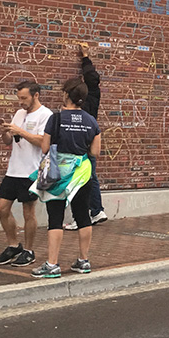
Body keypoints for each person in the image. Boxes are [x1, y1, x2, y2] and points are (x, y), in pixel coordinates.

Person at [31, 77, 100, 278]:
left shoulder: (56, 118)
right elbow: (95, 151)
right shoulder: (91, 121)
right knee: (83, 215)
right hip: (82, 173)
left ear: (66, 95)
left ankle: (52, 264)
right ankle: (83, 261)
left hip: (58, 173)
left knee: (55, 217)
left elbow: (44, 147)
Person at [0, 80, 52, 267]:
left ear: (36, 95)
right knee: (2, 208)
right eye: (19, 98)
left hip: (32, 171)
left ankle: (29, 250)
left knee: (28, 212)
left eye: (24, 98)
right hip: (14, 169)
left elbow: (42, 142)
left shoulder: (46, 115)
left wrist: (20, 130)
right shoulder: (19, 113)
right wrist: (5, 131)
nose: (21, 102)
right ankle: (13, 245)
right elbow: (8, 141)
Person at [65, 44, 107, 229]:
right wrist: (85, 58)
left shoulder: (82, 100)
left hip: (79, 142)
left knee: (79, 178)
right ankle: (96, 211)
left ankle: (82, 216)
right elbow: (92, 78)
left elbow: (90, 77)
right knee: (91, 177)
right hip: (90, 138)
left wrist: (85, 58)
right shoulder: (95, 95)